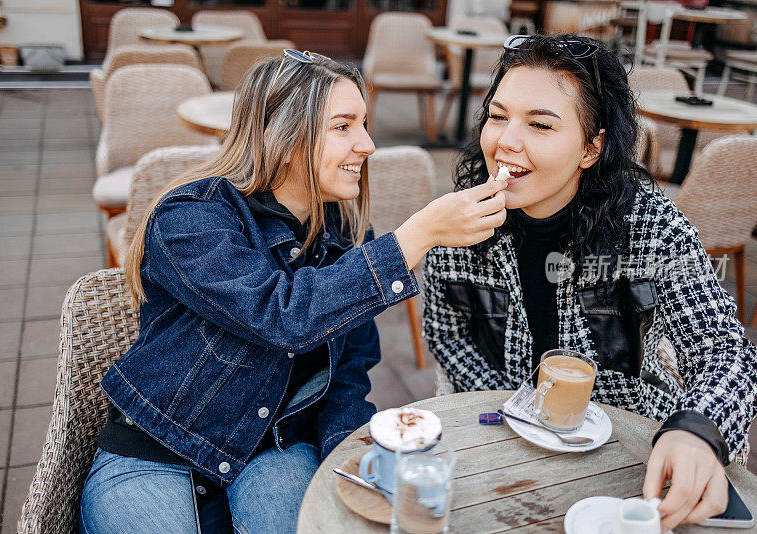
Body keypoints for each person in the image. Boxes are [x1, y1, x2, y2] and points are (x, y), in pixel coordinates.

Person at [78, 50, 508, 534]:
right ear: (280, 139)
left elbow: (349, 370)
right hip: (160, 452)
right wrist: (416, 236)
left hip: (275, 449)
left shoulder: (346, 235)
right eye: (343, 127)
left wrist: (351, 459)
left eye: (363, 124)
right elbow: (280, 314)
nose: (367, 144)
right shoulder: (191, 218)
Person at [422, 34, 757, 531]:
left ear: (590, 147)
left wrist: (695, 429)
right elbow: (447, 332)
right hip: (505, 452)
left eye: (539, 124)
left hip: (629, 457)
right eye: (498, 116)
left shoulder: (649, 226)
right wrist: (505, 412)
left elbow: (724, 348)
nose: (505, 141)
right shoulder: (457, 223)